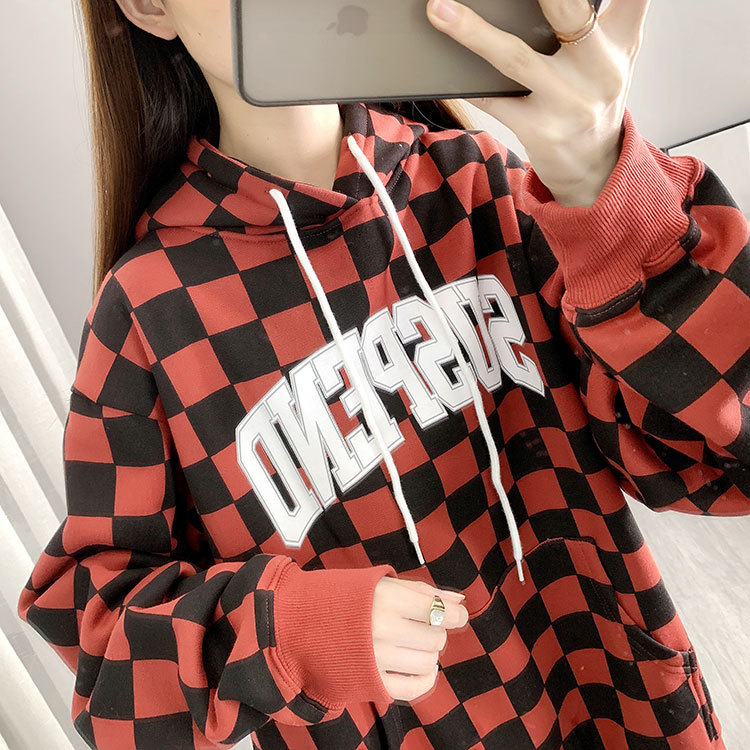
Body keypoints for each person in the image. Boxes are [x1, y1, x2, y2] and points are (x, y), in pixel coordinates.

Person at [17, 0, 748, 748]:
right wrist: (289, 633)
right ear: (148, 5)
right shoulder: (148, 313)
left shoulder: (474, 181)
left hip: (624, 713)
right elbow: (105, 665)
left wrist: (610, 190)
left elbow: (719, 455)